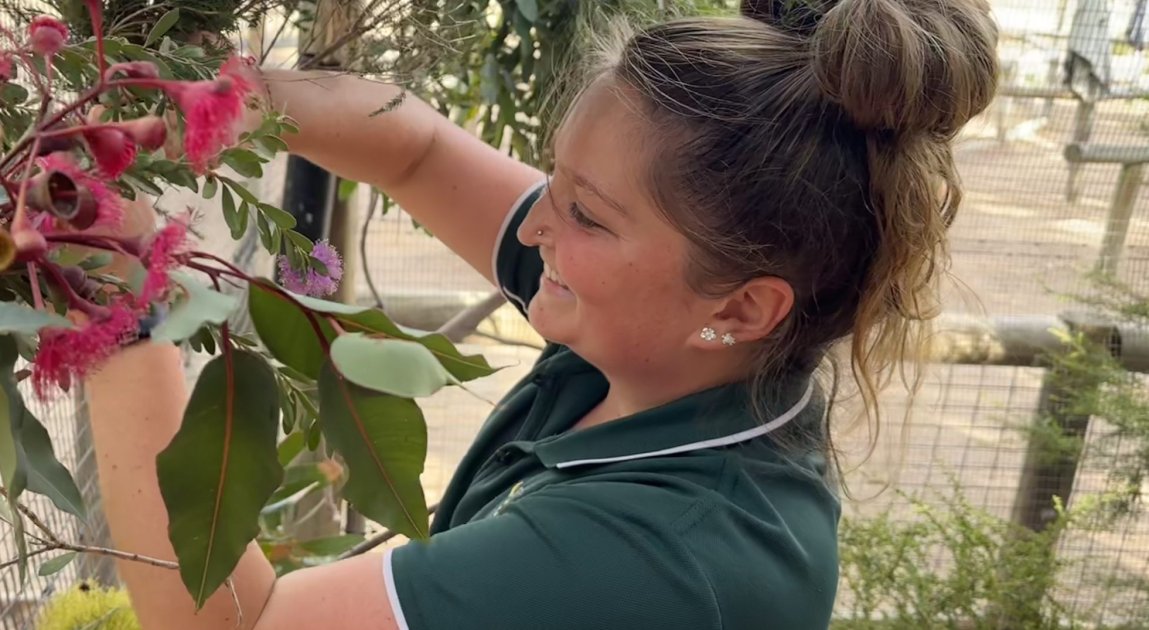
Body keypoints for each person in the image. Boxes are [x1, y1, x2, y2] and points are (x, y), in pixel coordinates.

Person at [84, 0, 1000, 628]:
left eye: (588, 212)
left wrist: (121, 302)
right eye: (554, 176)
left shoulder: (660, 554)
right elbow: (417, 151)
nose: (538, 222)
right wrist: (219, 106)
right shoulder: (672, 355)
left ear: (744, 304)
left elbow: (234, 619)